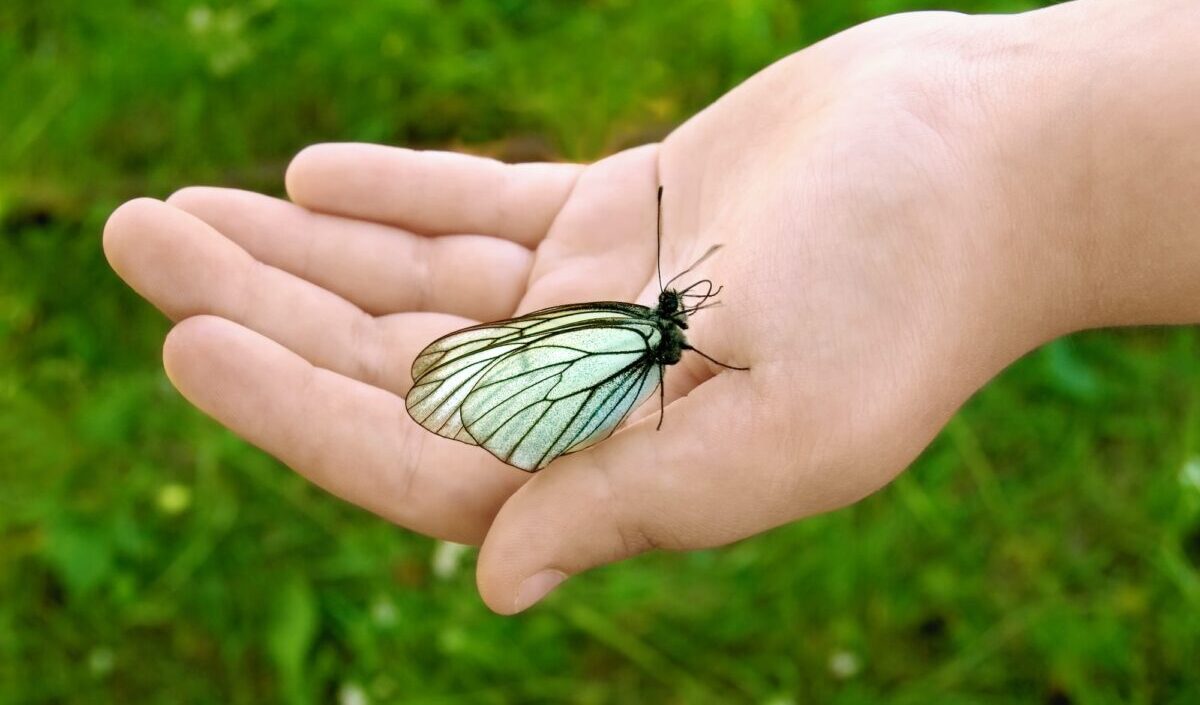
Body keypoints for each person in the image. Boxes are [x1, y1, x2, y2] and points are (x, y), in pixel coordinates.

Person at [102, 0, 1200, 614]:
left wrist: (994, 150)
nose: (684, 310)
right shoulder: (647, 330)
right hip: (577, 381)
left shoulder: (664, 319)